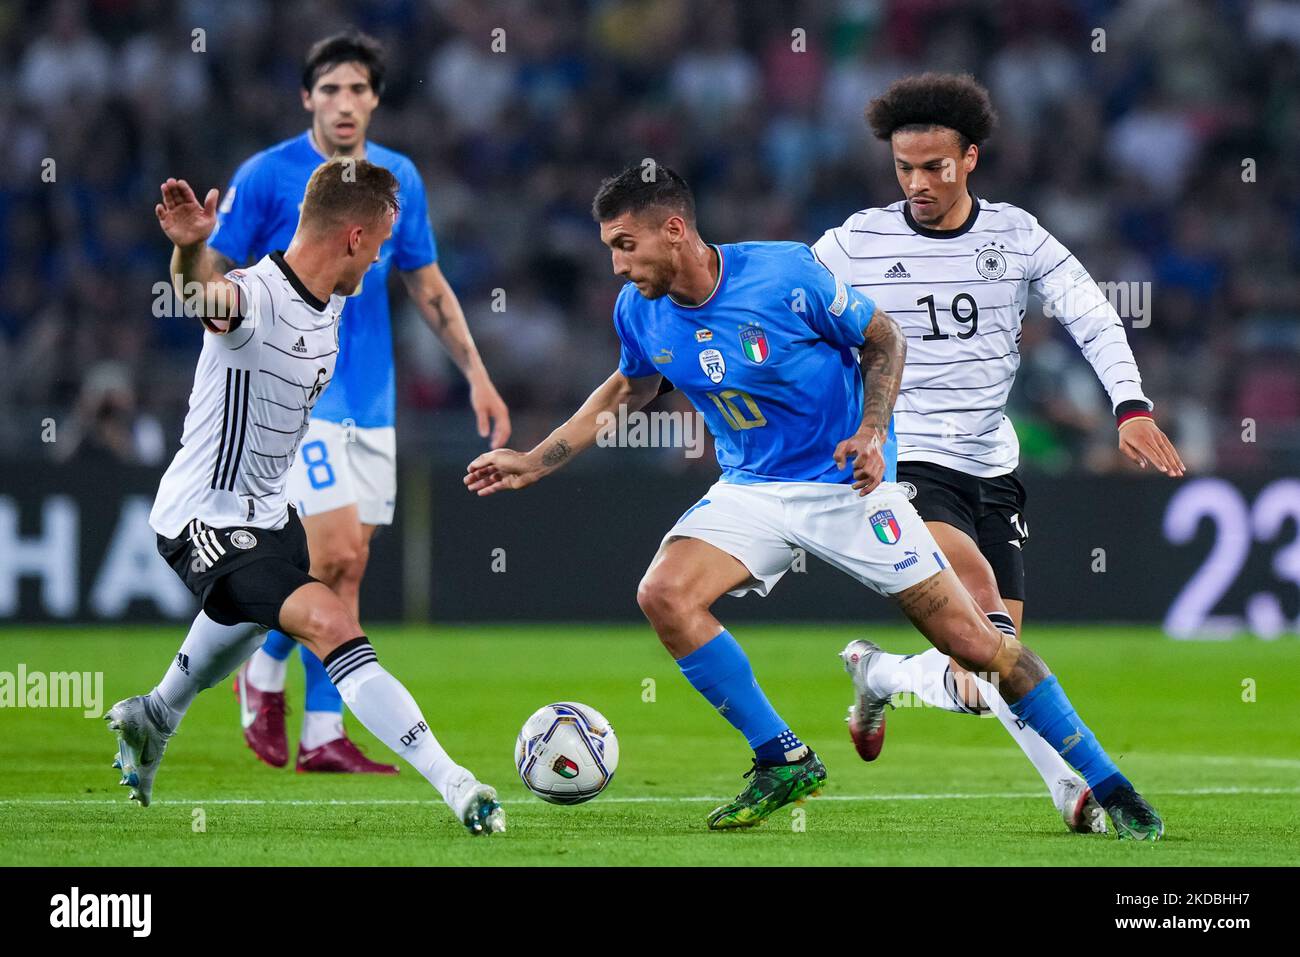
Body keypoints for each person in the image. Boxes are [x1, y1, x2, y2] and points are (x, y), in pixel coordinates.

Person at [465, 165, 1163, 838]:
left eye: (625, 245)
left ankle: (1111, 784)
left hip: (848, 486)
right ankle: (783, 757)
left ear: (673, 230)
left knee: (982, 650)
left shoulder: (783, 273)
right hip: (752, 489)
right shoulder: (639, 311)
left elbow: (882, 338)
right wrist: (535, 458)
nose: (617, 265)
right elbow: (628, 388)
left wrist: (870, 430)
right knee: (665, 592)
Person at [812, 72, 1185, 835]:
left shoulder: (1015, 235)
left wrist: (1130, 404)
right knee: (986, 621)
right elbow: (779, 301)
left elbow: (1089, 311)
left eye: (934, 166)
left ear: (970, 157)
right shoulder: (855, 242)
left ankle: (878, 672)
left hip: (992, 466)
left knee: (990, 671)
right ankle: (1072, 788)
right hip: (907, 461)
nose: (917, 182)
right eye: (904, 167)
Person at [104, 159, 505, 836]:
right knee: (331, 624)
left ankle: (157, 712)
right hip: (207, 517)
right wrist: (188, 249)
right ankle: (458, 784)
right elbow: (205, 294)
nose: (380, 258)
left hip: (271, 514)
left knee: (254, 615)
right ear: (352, 238)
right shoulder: (255, 299)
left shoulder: (335, 301)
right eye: (378, 243)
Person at [197, 30, 511, 773]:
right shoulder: (269, 175)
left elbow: (426, 286)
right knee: (330, 548)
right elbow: (212, 275)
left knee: (349, 564)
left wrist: (477, 374)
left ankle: (322, 732)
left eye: (358, 89)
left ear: (375, 99)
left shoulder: (396, 176)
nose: (345, 103)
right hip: (295, 392)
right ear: (307, 97)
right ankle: (262, 672)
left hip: (372, 396)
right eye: (330, 89)